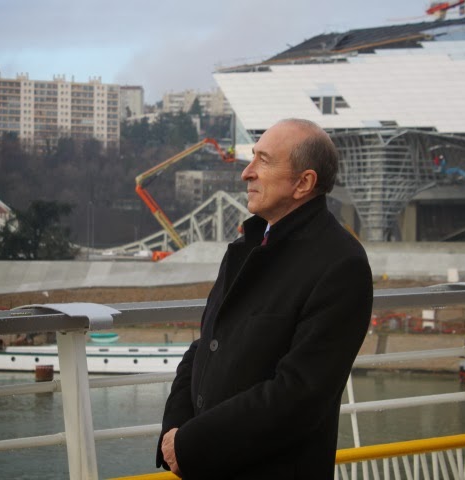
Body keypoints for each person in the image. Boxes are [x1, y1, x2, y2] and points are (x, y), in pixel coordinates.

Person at [157, 118, 373, 479]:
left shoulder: (341, 264)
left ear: (303, 183)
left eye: (264, 160)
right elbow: (206, 344)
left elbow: (298, 395)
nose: (247, 172)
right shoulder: (247, 245)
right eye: (253, 156)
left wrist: (191, 442)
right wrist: (174, 431)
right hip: (204, 464)